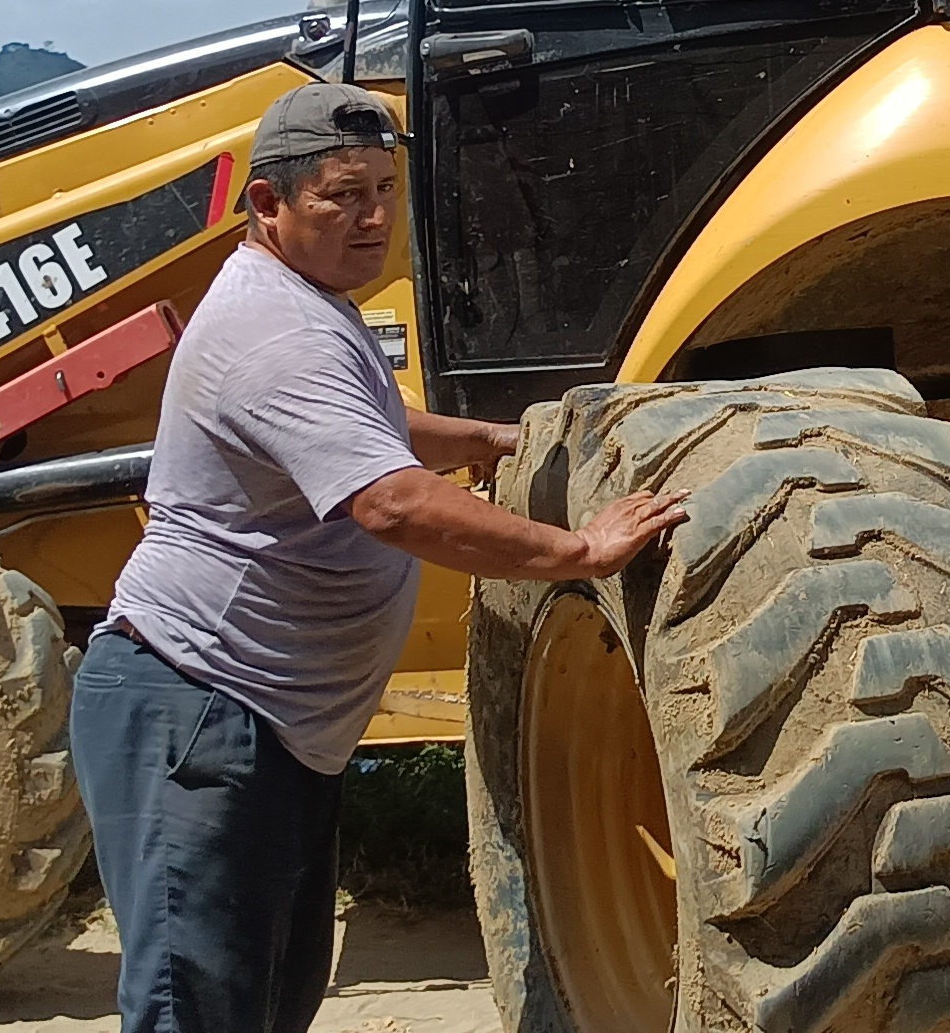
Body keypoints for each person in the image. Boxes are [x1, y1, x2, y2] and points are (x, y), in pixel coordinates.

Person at [69, 80, 688, 1033]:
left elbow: (368, 425)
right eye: (342, 195)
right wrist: (580, 550)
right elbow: (390, 503)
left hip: (262, 723)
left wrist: (484, 441)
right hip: (198, 709)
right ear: (267, 202)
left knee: (267, 1003)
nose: (374, 218)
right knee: (198, 1010)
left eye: (385, 190)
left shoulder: (307, 299)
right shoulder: (276, 332)